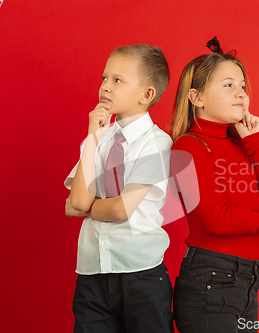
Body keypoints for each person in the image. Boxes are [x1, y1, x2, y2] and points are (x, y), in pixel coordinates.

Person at [170, 37, 259, 333]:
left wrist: (256, 142)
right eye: (228, 85)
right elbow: (216, 219)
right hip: (209, 282)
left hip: (247, 280)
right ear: (196, 98)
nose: (241, 93)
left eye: (242, 86)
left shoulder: (243, 144)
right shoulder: (187, 147)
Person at [63, 44, 174, 333]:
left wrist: (87, 206)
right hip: (92, 274)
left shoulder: (157, 143)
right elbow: (73, 203)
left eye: (117, 80)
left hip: (141, 276)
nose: (105, 87)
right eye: (104, 78)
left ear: (146, 94)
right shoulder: (99, 139)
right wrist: (92, 138)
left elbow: (121, 208)